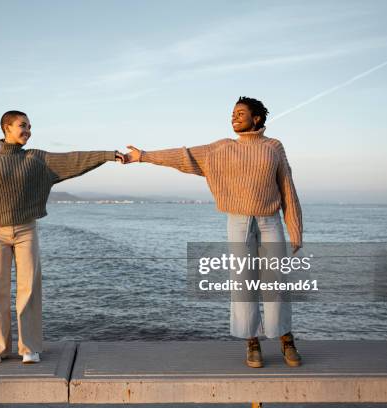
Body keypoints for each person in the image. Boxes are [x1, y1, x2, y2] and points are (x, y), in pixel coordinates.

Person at [122, 97, 302, 368]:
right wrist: (143, 156)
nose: (234, 117)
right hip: (238, 221)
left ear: (257, 118)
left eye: (241, 113)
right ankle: (251, 341)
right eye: (232, 113)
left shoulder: (273, 147)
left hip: (270, 221)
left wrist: (295, 229)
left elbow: (287, 187)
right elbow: (185, 156)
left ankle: (285, 337)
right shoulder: (221, 148)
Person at [0, 110, 124, 364]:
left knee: (29, 290)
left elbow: (73, 160)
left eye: (29, 126)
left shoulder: (36, 158)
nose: (28, 130)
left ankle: (29, 347)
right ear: (7, 127)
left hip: (26, 231)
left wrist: (106, 155)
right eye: (22, 126)